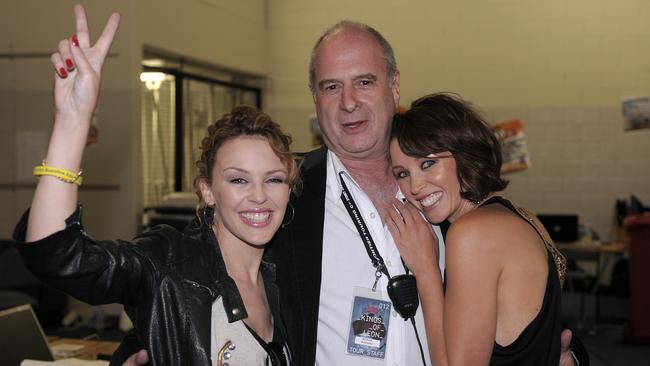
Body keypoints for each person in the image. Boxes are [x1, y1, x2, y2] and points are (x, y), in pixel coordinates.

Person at [124, 20, 586, 366]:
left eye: (364, 82)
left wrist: (569, 356)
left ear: (394, 85)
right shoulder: (283, 192)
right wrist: (137, 350)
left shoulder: (442, 192)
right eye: (332, 87)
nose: (349, 103)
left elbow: (523, 307)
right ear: (314, 97)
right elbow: (184, 273)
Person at [14, 5, 296, 365]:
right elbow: (58, 255)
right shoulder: (168, 264)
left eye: (273, 179)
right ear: (207, 190)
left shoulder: (288, 274)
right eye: (238, 179)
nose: (259, 196)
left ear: (289, 187)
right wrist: (72, 122)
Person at [386, 93, 566, 365]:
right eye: (402, 173)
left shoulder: (472, 233)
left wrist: (426, 271)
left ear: (464, 154)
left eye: (428, 163)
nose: (415, 186)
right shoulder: (523, 217)